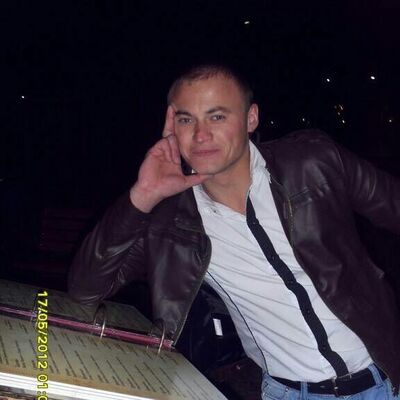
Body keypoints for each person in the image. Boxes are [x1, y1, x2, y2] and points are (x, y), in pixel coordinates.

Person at [68, 64, 400, 399]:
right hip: (286, 392)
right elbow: (86, 290)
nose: (200, 135)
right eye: (186, 120)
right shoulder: (171, 218)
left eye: (217, 116)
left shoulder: (311, 163)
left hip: (385, 380)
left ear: (250, 118)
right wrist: (142, 195)